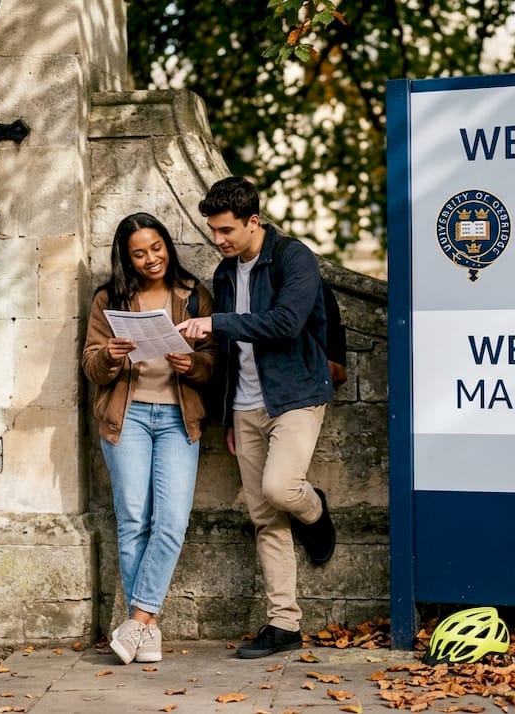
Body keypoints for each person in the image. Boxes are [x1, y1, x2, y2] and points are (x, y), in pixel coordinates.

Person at [176, 176, 336, 659]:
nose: (218, 239)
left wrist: (215, 321)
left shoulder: (293, 258)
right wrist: (228, 414)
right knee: (264, 517)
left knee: (281, 489)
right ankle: (284, 624)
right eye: (212, 230)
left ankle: (315, 510)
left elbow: (286, 323)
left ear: (253, 221)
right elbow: (229, 353)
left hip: (295, 395)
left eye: (226, 230)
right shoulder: (226, 273)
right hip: (245, 405)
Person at [81, 212, 217, 665]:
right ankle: (147, 631)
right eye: (139, 253)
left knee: (172, 519)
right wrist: (110, 355)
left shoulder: (194, 295)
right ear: (126, 258)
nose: (151, 259)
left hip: (180, 417)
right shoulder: (109, 299)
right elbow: (91, 366)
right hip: (128, 418)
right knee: (134, 518)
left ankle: (138, 620)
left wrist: (191, 364)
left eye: (156, 248)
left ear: (167, 246)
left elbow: (216, 361)